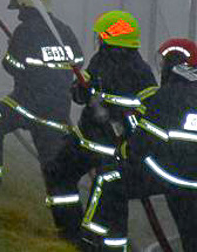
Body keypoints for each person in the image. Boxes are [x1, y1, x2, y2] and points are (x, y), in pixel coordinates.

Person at [0, 0, 83, 230]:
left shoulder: (25, 32)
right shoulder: (63, 29)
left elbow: (11, 65)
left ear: (25, 5)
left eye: (20, 8)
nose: (19, 14)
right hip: (57, 110)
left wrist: (20, 56)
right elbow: (78, 60)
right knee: (55, 168)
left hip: (26, 103)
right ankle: (70, 225)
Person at [42, 10, 156, 241]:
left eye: (100, 36)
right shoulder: (100, 60)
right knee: (57, 172)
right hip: (87, 141)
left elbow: (150, 111)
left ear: (107, 37)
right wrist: (80, 89)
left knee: (109, 201)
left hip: (114, 150)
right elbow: (80, 93)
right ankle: (70, 231)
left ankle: (94, 241)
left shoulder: (140, 72)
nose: (98, 40)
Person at [80, 37, 197, 250]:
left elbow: (142, 143)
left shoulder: (166, 96)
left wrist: (123, 151)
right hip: (193, 183)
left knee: (109, 179)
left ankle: (93, 242)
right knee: (191, 234)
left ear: (173, 65)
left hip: (165, 174)